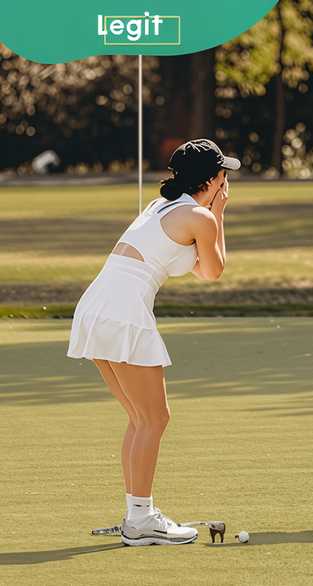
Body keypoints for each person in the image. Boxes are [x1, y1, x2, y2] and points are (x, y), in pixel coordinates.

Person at [67, 139, 239, 545]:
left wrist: (213, 211)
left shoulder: (159, 206)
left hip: (97, 307)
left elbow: (199, 269)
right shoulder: (201, 216)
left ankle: (136, 515)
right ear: (213, 180)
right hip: (121, 312)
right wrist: (219, 212)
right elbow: (214, 272)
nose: (226, 181)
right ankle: (141, 521)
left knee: (142, 418)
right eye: (223, 175)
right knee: (154, 418)